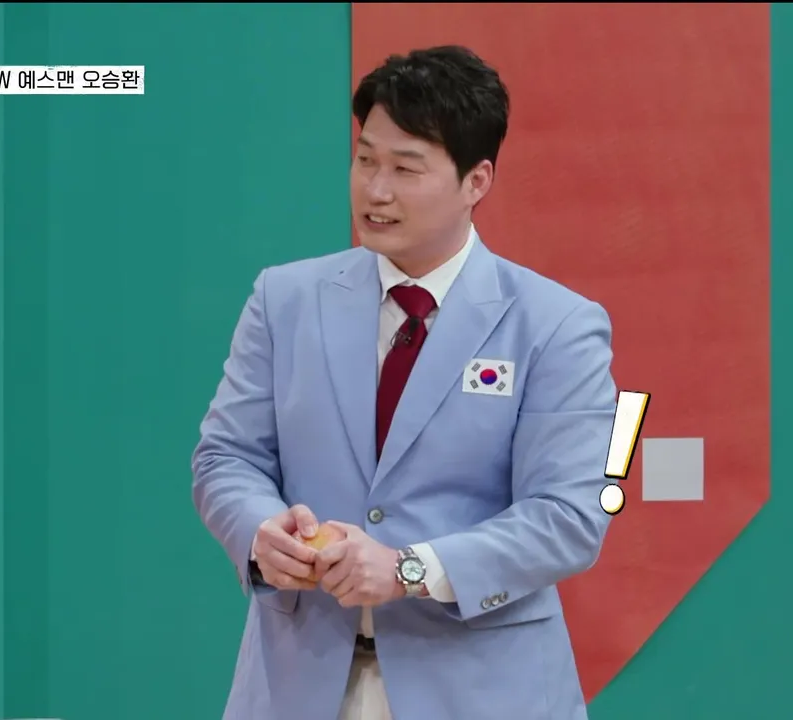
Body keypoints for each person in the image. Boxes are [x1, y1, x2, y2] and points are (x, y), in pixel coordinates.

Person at [191, 45, 619, 720]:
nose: (376, 190)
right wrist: (259, 531)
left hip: (480, 692)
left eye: (405, 168)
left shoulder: (557, 324)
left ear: (476, 181)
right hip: (296, 686)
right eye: (365, 160)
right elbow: (226, 457)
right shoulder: (284, 299)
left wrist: (406, 569)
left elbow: (569, 517)